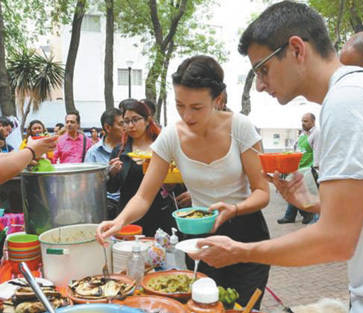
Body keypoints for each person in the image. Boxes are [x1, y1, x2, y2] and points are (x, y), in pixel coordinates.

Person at [190, 2, 363, 312]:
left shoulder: (350, 100)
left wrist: (241, 251)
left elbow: (336, 240)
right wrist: (311, 203)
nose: (260, 85)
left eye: (263, 69)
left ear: (297, 49)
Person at [96, 56, 271, 308]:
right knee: (200, 306)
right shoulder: (171, 136)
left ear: (218, 99)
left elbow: (262, 192)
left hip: (246, 232)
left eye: (196, 107)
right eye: (180, 105)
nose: (187, 116)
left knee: (241, 307)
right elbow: (144, 196)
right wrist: (119, 221)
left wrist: (234, 209)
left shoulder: (241, 128)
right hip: (199, 237)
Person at [106, 99, 182, 234]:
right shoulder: (120, 151)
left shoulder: (162, 147)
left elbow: (178, 185)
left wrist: (170, 183)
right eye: (126, 121)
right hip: (130, 215)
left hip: (160, 215)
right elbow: (112, 188)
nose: (131, 125)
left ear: (147, 120)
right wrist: (112, 173)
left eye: (135, 119)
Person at [277, 113, 318, 224]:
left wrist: (315, 169)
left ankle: (306, 215)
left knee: (302, 193)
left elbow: (317, 152)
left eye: (306, 121)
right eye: (302, 121)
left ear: (313, 121)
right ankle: (292, 216)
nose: (303, 123)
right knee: (293, 190)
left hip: (308, 169)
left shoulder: (316, 133)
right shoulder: (302, 135)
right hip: (299, 168)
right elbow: (296, 149)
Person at [85, 108, 124, 219]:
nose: (125, 127)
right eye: (121, 124)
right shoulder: (93, 153)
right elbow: (89, 185)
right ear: (107, 127)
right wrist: (109, 173)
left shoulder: (130, 149)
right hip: (105, 206)